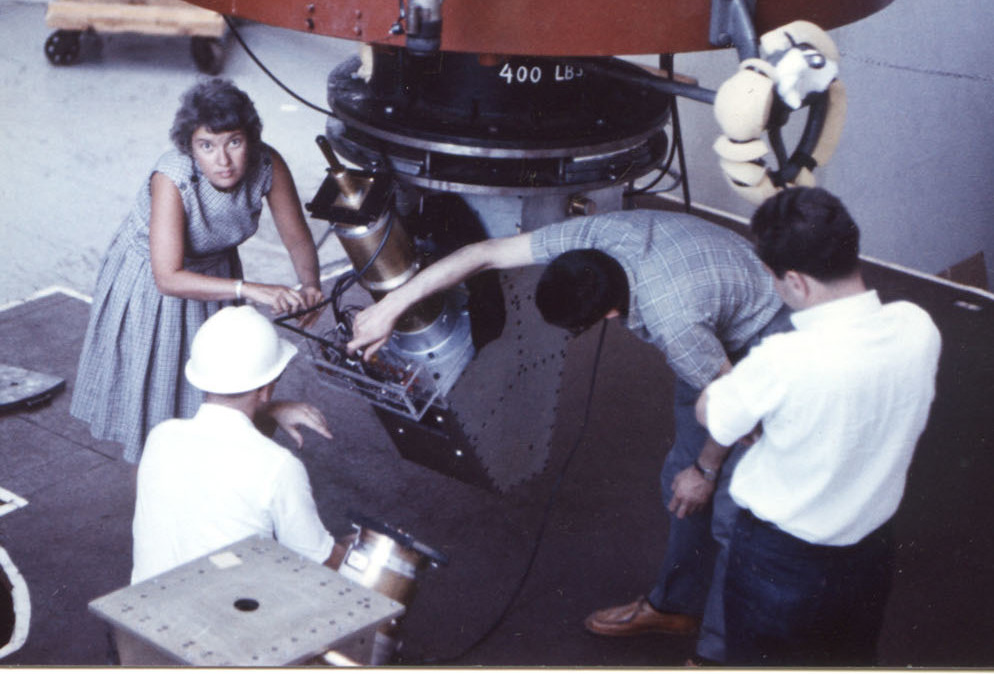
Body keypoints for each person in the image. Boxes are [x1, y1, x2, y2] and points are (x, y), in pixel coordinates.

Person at [347, 209, 791, 663]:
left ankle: (720, 655)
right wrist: (389, 306)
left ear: (612, 313)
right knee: (678, 481)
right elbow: (483, 255)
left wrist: (707, 468)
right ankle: (675, 606)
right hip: (715, 298)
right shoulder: (592, 235)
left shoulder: (674, 322)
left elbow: (733, 408)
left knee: (735, 514)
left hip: (764, 330)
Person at [696, 188, 939, 665]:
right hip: (868, 555)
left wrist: (740, 395)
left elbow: (714, 414)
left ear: (795, 282)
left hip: (779, 562)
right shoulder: (918, 326)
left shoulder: (785, 360)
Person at [70, 78, 325, 463]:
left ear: (250, 140)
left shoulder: (267, 164)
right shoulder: (171, 176)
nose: (222, 161)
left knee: (222, 384)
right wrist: (252, 290)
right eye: (207, 146)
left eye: (234, 142)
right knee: (158, 401)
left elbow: (298, 240)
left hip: (217, 271)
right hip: (154, 283)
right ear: (190, 146)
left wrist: (311, 286)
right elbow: (168, 277)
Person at [130, 305, 346, 585]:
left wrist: (268, 410)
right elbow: (319, 559)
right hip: (229, 622)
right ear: (266, 389)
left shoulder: (161, 438)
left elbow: (224, 457)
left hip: (143, 614)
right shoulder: (279, 466)